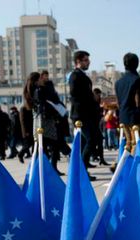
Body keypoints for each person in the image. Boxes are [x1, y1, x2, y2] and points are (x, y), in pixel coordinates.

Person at [69, 50, 98, 180]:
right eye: (85, 60)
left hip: (86, 114)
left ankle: (80, 170)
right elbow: (75, 95)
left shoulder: (82, 75)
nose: (88, 62)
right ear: (78, 62)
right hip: (80, 115)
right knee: (91, 140)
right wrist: (89, 99)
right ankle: (82, 171)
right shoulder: (75, 75)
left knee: (87, 141)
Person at [115, 52, 140, 153]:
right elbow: (138, 100)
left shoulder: (118, 82)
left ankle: (124, 165)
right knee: (137, 143)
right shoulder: (138, 80)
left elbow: (118, 102)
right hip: (136, 117)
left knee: (128, 143)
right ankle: (134, 168)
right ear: (137, 64)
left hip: (123, 116)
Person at [35, 70, 64, 175]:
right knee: (43, 145)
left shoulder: (49, 86)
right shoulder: (37, 90)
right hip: (43, 119)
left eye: (47, 76)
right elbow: (39, 103)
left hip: (50, 118)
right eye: (44, 77)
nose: (46, 78)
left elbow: (55, 99)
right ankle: (44, 169)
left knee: (55, 144)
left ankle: (53, 167)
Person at [18, 72, 38, 163]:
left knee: (33, 143)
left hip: (32, 124)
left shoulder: (31, 89)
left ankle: (33, 158)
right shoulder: (30, 91)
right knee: (29, 144)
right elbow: (23, 121)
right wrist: (25, 131)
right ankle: (21, 154)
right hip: (28, 126)